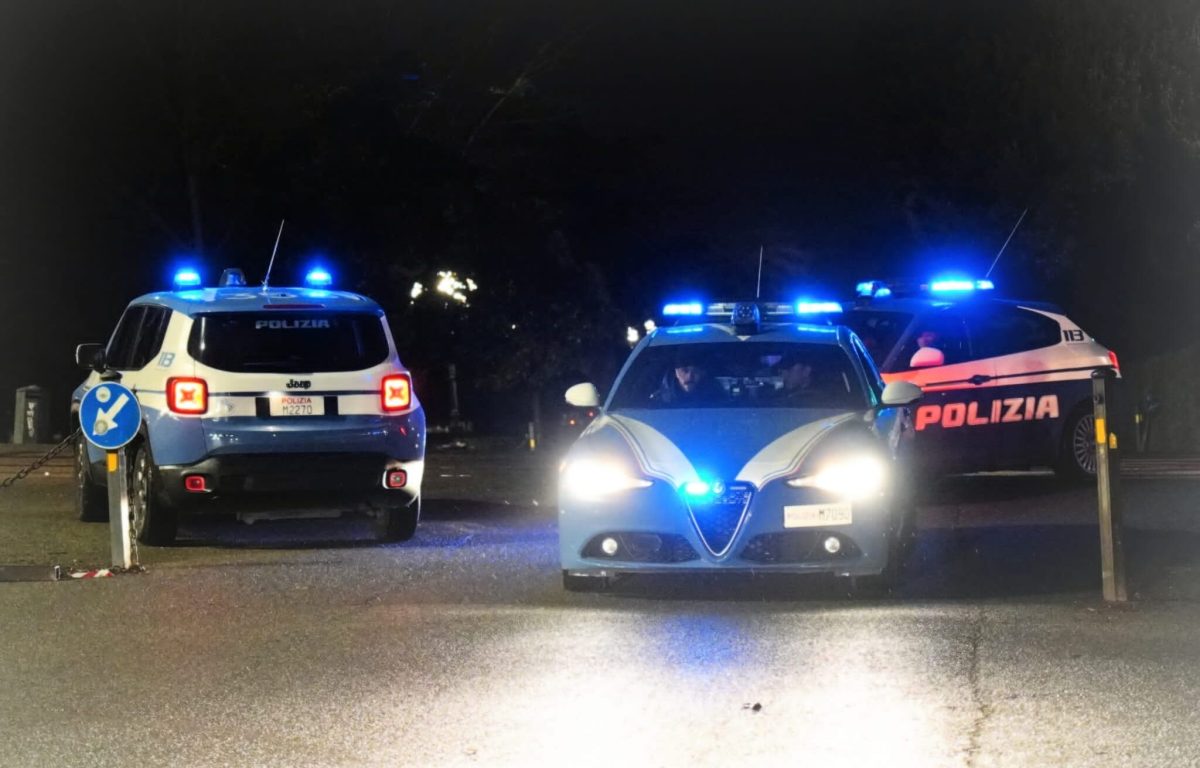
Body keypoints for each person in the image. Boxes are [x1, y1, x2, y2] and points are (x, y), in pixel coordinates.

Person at [651, 351, 725, 404]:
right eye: (684, 371)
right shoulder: (657, 401)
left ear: (702, 373)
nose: (690, 376)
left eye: (695, 371)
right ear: (676, 372)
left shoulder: (718, 398)